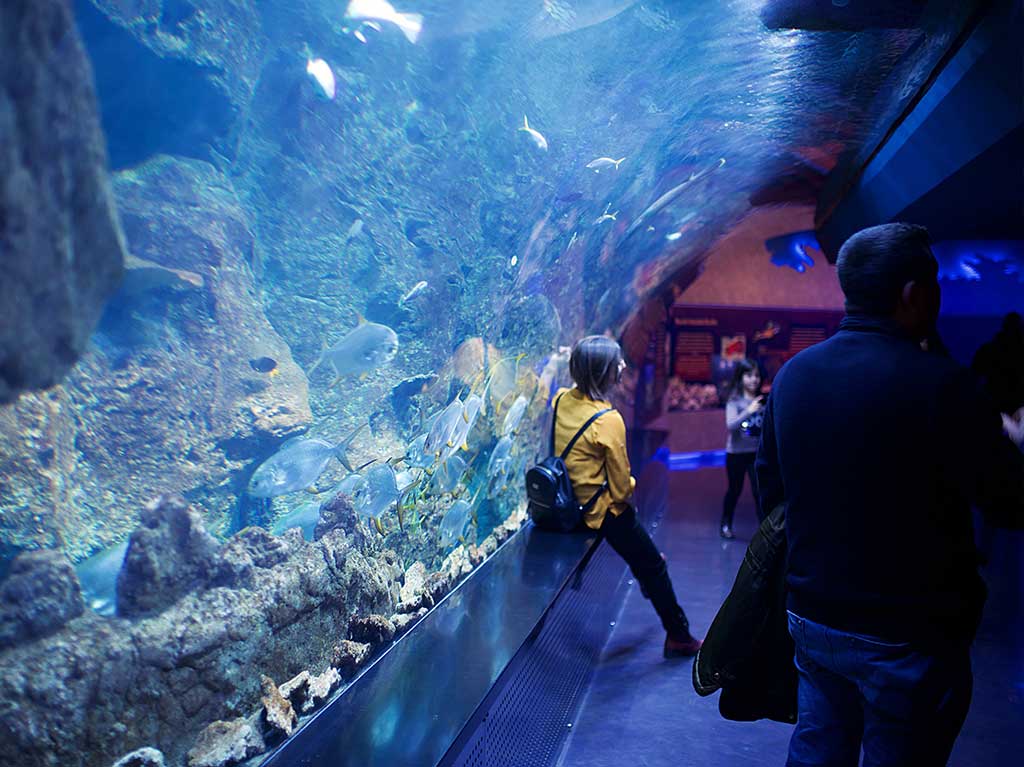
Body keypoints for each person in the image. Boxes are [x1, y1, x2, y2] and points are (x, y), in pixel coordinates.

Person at [756, 223, 1024, 767]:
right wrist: (1013, 442)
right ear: (913, 293)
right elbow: (1006, 502)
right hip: (907, 632)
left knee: (816, 752)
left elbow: (771, 493)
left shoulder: (794, 376)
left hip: (812, 614)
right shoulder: (945, 386)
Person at [554, 335, 703, 657]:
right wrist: (634, 485)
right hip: (601, 513)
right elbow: (621, 491)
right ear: (603, 372)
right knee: (654, 564)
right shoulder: (608, 420)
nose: (623, 366)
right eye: (617, 362)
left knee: (645, 559)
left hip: (567, 503)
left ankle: (647, 573)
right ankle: (678, 635)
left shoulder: (561, 401)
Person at [720, 359, 765, 539]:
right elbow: (731, 425)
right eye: (749, 375)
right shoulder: (734, 400)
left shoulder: (762, 400)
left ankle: (765, 530)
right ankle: (725, 524)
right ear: (741, 377)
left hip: (756, 454)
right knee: (734, 490)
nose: (754, 380)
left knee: (759, 492)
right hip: (736, 454)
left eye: (757, 376)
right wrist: (750, 410)